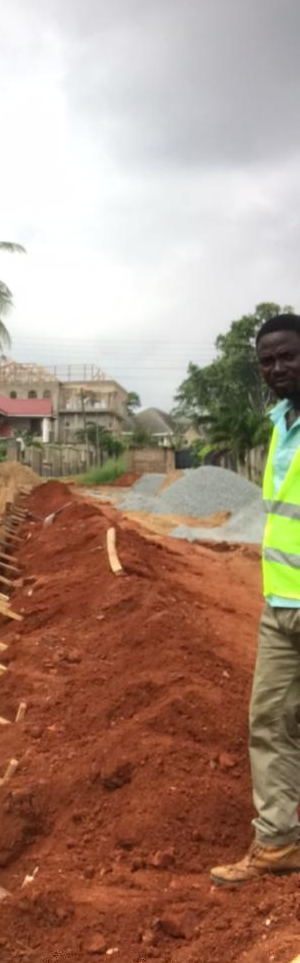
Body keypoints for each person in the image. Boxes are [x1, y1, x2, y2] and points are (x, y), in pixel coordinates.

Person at [212, 313, 300, 884]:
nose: (276, 368)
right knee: (268, 722)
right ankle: (277, 843)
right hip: (281, 607)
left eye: (287, 356)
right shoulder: (279, 424)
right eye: (267, 360)